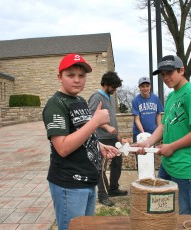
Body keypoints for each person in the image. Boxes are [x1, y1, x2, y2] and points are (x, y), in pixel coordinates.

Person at [42, 53, 119, 230]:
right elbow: (62, 147)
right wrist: (96, 121)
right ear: (59, 77)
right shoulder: (56, 104)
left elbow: (82, 133)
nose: (77, 80)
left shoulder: (80, 100)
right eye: (70, 75)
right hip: (69, 184)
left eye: (81, 75)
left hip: (88, 181)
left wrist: (98, 146)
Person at [135, 55, 191, 214]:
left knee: (188, 216)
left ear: (181, 70)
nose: (166, 77)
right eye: (162, 74)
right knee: (164, 210)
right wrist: (148, 142)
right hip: (168, 165)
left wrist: (172, 147)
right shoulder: (172, 96)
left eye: (169, 72)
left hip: (186, 166)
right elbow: (164, 124)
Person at [88, 71, 128, 207]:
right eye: (113, 87)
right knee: (101, 168)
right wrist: (107, 128)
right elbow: (92, 118)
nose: (114, 90)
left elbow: (112, 118)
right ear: (106, 84)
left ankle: (113, 189)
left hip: (113, 138)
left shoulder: (110, 97)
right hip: (102, 138)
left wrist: (118, 134)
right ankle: (102, 195)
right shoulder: (96, 97)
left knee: (117, 163)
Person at [131, 77, 164, 168]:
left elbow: (158, 115)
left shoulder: (155, 98)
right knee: (140, 157)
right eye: (143, 86)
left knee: (150, 156)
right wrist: (143, 134)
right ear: (139, 88)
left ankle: (150, 178)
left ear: (150, 87)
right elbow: (137, 119)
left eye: (147, 86)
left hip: (152, 133)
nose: (145, 88)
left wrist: (158, 129)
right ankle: (141, 178)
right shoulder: (136, 101)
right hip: (139, 133)